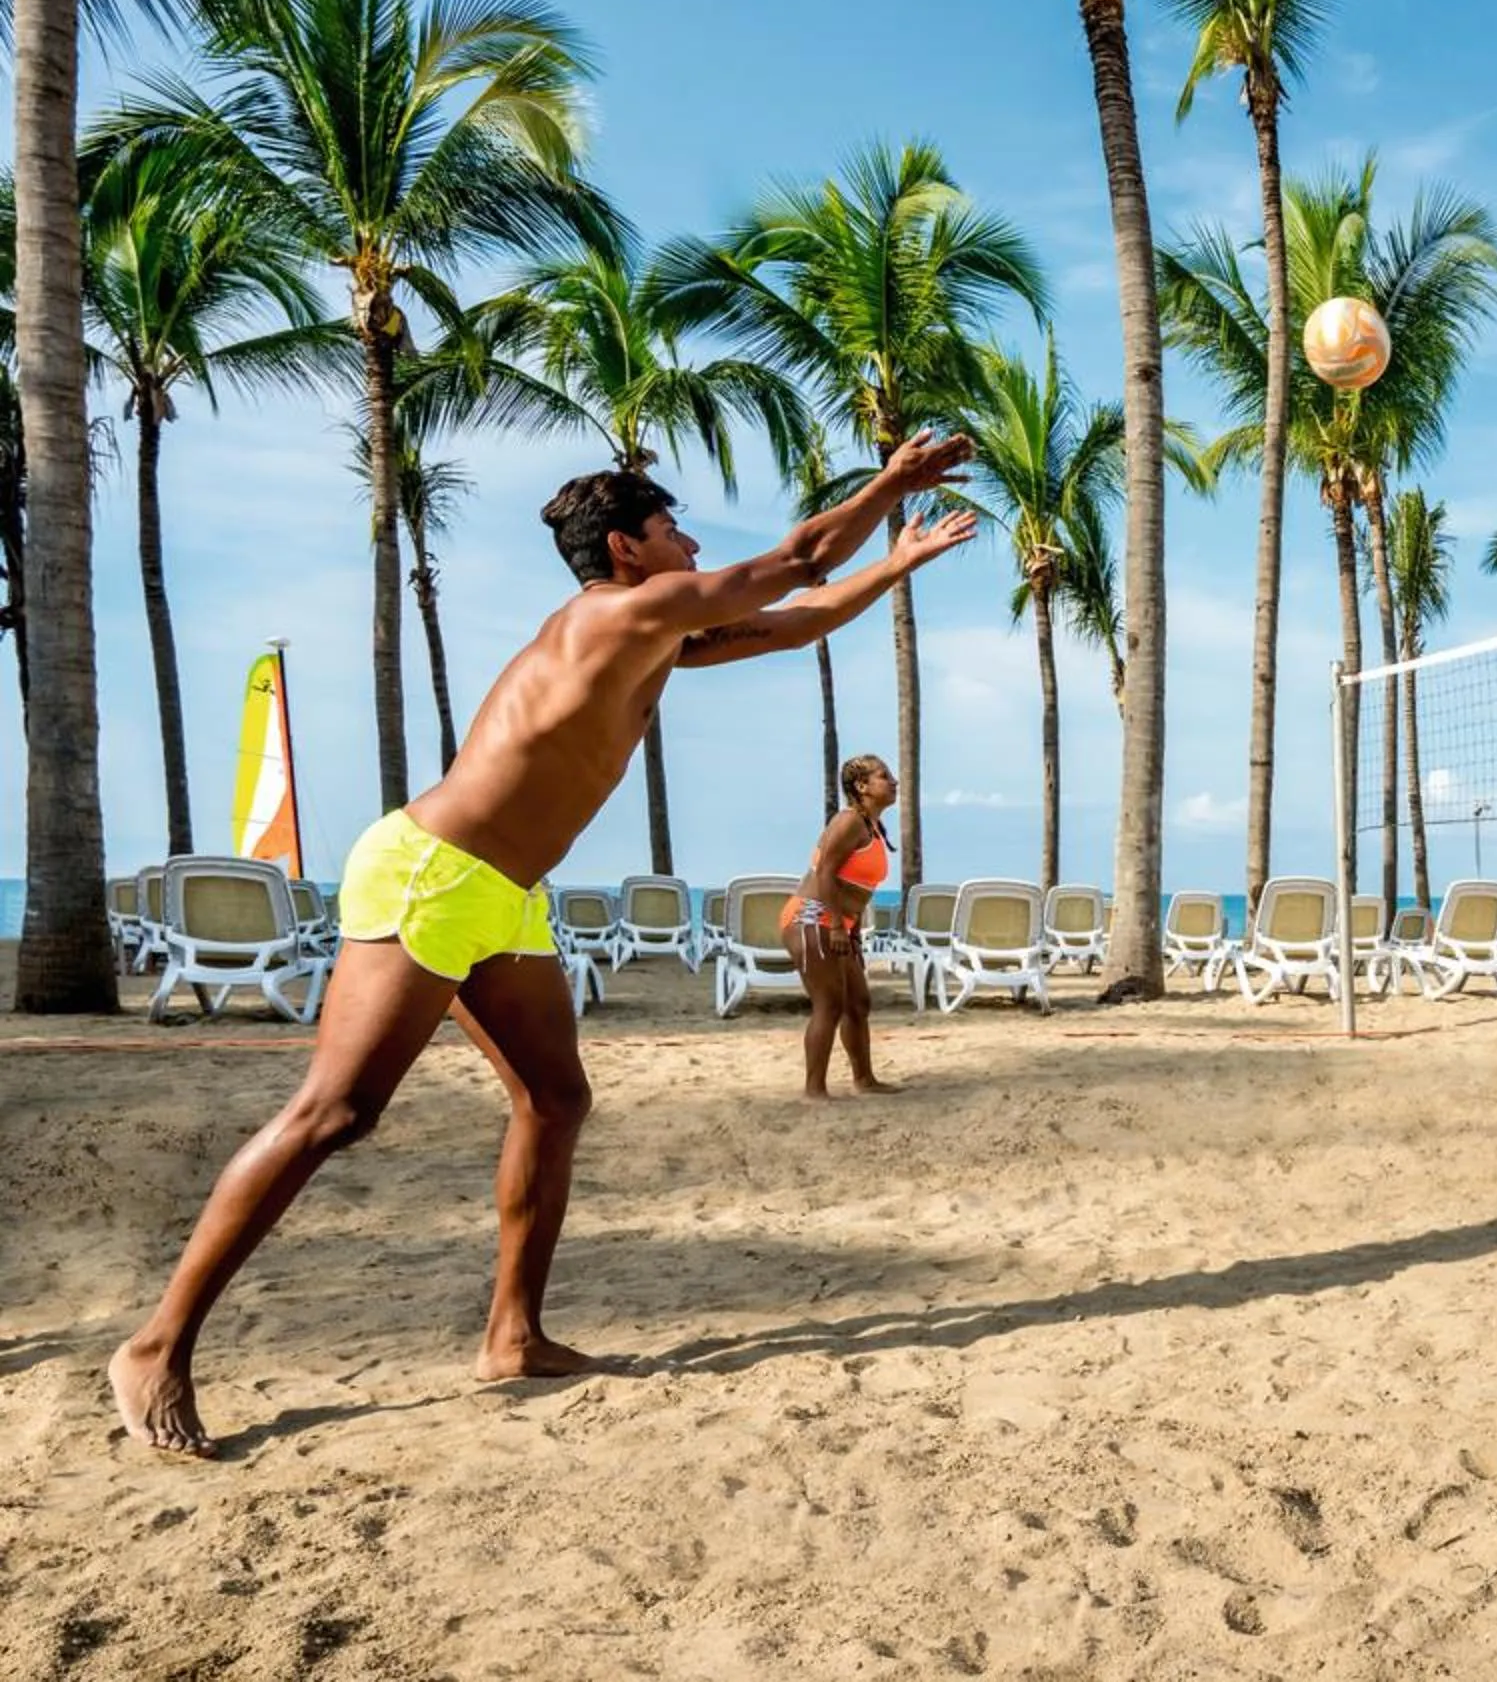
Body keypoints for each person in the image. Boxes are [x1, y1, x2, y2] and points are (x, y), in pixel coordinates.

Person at [108, 433, 979, 1457]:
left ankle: (512, 1335)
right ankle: (156, 1345)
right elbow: (792, 563)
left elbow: (797, 621)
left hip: (505, 896)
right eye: (670, 529)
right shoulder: (616, 612)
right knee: (336, 1112)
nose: (691, 540)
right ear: (625, 548)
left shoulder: (656, 632)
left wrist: (900, 560)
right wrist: (893, 481)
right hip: (431, 872)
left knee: (556, 1099)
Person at [788, 754, 900, 1099]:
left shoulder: (871, 827)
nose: (894, 782)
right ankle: (814, 1090)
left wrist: (851, 932)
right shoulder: (849, 821)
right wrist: (836, 925)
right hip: (810, 919)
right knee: (830, 1003)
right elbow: (825, 872)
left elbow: (856, 888)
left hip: (836, 923)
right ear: (862, 786)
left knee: (858, 1002)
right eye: (885, 776)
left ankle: (864, 1080)